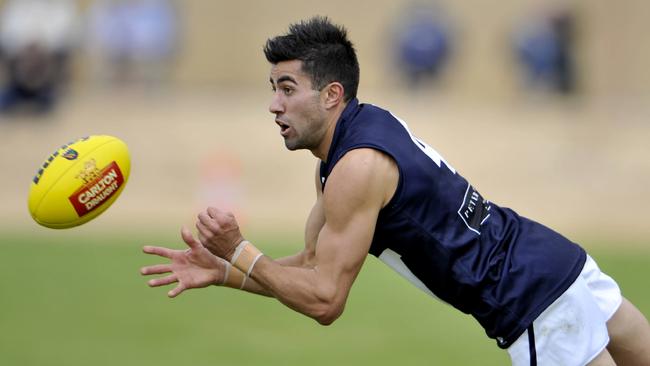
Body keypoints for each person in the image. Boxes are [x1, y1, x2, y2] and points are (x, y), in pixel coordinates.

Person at [141, 17, 650, 365]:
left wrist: (241, 250)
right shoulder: (353, 142)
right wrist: (226, 270)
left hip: (534, 301)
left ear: (332, 94)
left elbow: (325, 301)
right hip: (556, 263)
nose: (274, 105)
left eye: (288, 89)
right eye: (272, 88)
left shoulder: (357, 167)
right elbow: (311, 268)